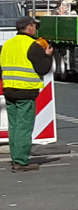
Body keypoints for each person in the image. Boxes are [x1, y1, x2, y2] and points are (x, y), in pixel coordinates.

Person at [3, 15, 54, 172]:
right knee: (24, 127)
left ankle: (15, 158)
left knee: (15, 127)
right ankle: (20, 161)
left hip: (9, 90)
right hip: (25, 91)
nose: (36, 29)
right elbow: (43, 69)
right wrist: (48, 55)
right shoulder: (33, 45)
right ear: (29, 27)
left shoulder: (7, 45)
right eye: (34, 26)